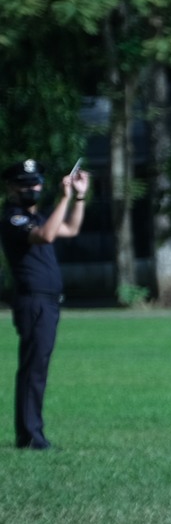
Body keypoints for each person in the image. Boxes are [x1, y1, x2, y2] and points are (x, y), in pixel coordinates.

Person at [4, 159, 86, 449]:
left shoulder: (37, 218)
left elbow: (71, 229)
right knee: (33, 369)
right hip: (33, 301)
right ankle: (29, 436)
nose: (33, 189)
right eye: (26, 185)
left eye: (36, 183)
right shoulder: (13, 218)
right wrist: (63, 197)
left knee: (39, 367)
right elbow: (47, 235)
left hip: (47, 302)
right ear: (12, 188)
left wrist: (78, 196)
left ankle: (31, 433)